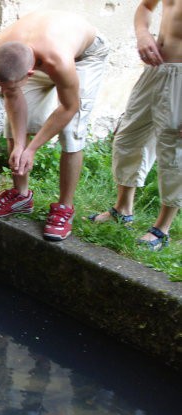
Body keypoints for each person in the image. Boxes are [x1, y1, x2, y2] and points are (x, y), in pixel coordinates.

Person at [0, 10, 109, 241]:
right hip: (37, 49)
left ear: (30, 73)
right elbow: (12, 95)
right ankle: (21, 196)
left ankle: (65, 207)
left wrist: (31, 149)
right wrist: (20, 143)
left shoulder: (58, 61)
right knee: (14, 127)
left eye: (13, 85)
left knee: (71, 132)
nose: (6, 91)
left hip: (84, 56)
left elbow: (69, 107)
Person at [88, 0, 181, 251]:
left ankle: (161, 229)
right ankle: (122, 209)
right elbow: (146, 7)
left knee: (173, 152)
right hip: (155, 70)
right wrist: (142, 34)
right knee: (129, 138)